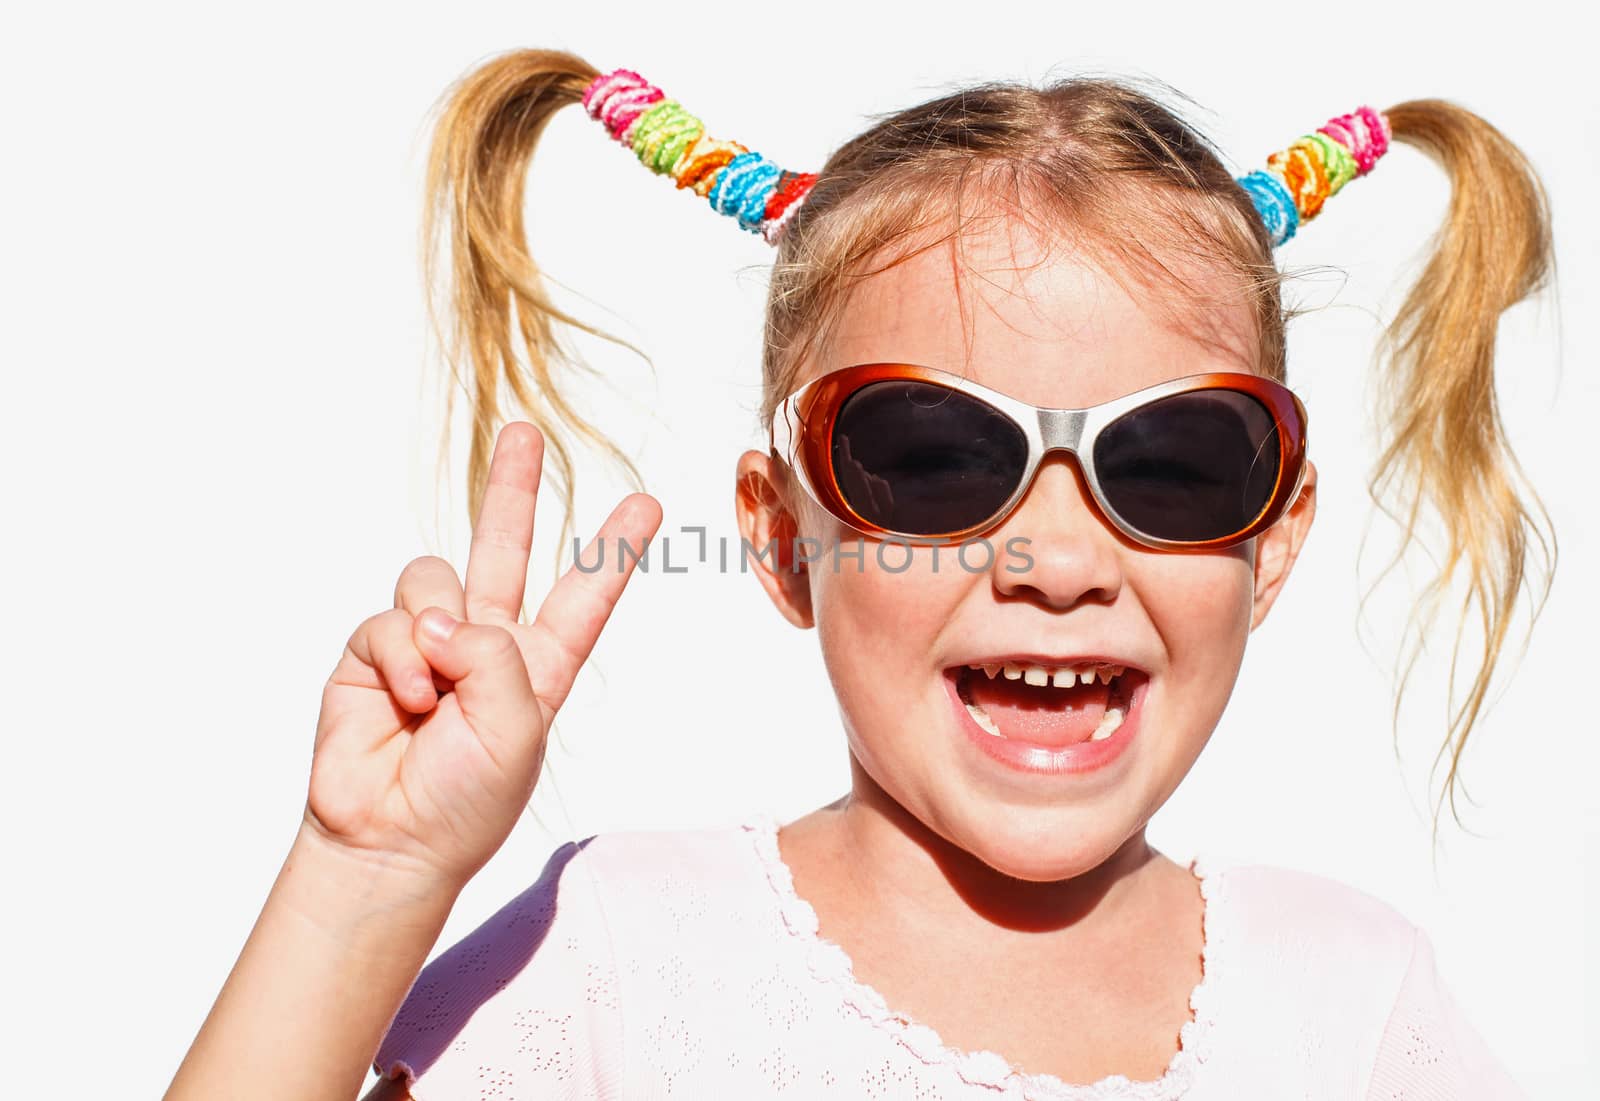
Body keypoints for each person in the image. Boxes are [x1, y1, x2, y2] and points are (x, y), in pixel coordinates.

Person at [167, 47, 1555, 1100]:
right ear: (782, 537)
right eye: (937, 455)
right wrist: (366, 879)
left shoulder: (1361, 1003)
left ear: (1274, 541)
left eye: (1176, 461)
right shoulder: (614, 961)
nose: (1060, 556)